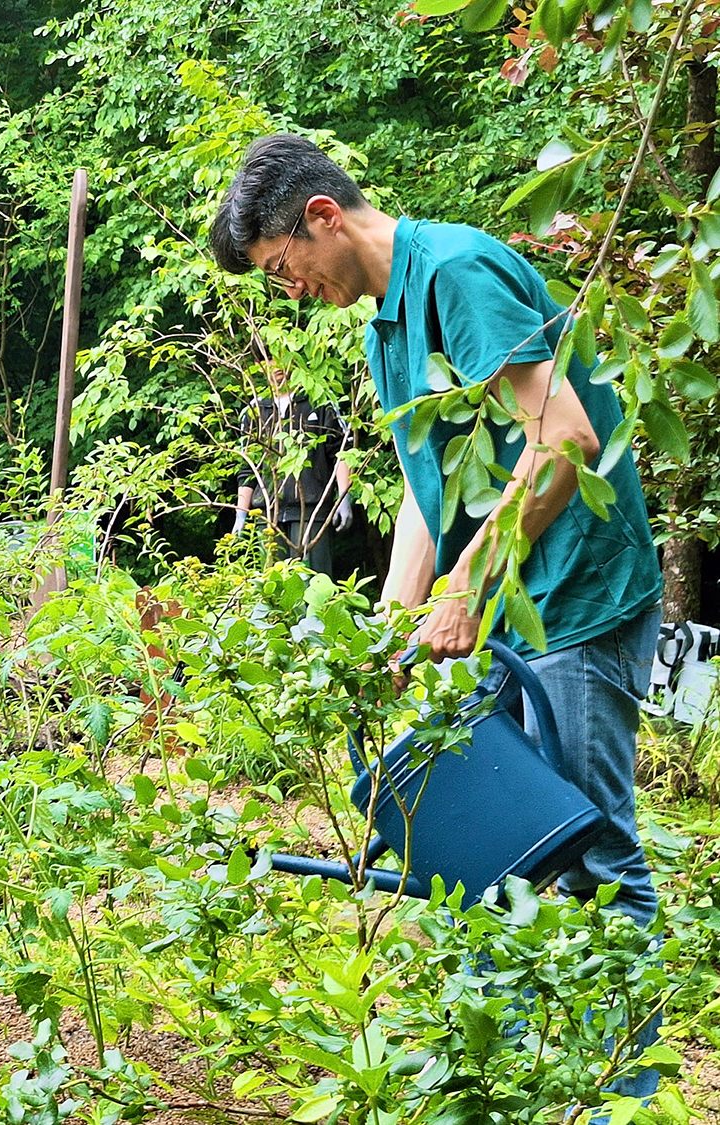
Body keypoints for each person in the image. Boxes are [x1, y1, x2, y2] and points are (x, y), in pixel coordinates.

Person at [211, 133, 664, 1096]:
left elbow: (566, 440)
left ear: (324, 217)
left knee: (594, 853)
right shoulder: (386, 324)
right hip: (508, 603)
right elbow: (432, 485)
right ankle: (512, 1073)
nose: (291, 290)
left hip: (577, 597)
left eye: (284, 267)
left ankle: (619, 1099)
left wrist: (468, 584)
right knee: (504, 851)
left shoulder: (455, 273)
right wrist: (392, 621)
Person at [232, 357, 353, 574]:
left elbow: (341, 451)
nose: (276, 365)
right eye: (268, 358)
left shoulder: (319, 399)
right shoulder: (255, 410)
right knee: (272, 585)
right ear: (259, 364)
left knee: (314, 584)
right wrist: (241, 514)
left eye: (281, 356)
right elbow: (248, 467)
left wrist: (344, 497)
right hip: (267, 516)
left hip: (312, 511)